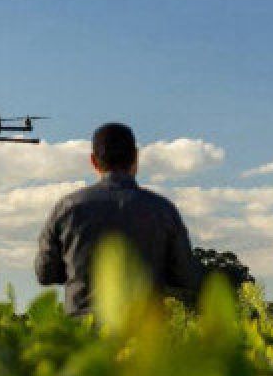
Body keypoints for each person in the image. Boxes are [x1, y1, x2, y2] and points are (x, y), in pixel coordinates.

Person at [34, 123, 203, 316]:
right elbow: (187, 277)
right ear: (136, 158)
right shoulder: (163, 209)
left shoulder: (67, 208)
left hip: (84, 333)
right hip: (142, 333)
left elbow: (45, 274)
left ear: (93, 161)